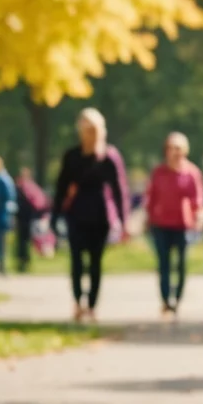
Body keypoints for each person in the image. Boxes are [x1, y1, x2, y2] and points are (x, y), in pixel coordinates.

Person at [54, 107, 129, 323]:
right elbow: (61, 187)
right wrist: (55, 215)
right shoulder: (72, 156)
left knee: (95, 262)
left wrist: (123, 222)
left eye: (94, 129)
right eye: (86, 129)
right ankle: (78, 301)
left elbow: (119, 190)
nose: (90, 134)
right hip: (76, 215)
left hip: (100, 217)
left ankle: (93, 305)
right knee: (76, 261)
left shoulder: (109, 157)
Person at [146, 132, 203, 317]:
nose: (174, 152)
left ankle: (177, 300)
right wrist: (147, 217)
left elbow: (198, 200)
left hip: (182, 225)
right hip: (161, 224)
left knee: (181, 264)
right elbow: (151, 197)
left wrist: (198, 217)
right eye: (171, 148)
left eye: (178, 148)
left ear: (185, 150)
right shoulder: (159, 172)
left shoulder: (192, 173)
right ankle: (165, 300)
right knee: (163, 264)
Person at [14, 167, 49, 271]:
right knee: (26, 241)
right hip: (30, 216)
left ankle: (23, 262)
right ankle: (25, 261)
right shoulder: (32, 186)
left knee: (23, 241)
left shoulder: (21, 186)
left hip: (24, 217)